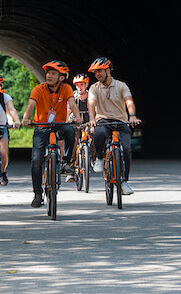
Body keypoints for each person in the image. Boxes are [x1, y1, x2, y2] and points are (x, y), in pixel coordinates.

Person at [21, 60, 81, 208]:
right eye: (48, 72)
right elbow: (31, 105)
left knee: (70, 131)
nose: (49, 75)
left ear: (61, 77)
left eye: (53, 73)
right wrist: (25, 118)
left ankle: (66, 162)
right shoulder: (38, 89)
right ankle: (37, 193)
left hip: (59, 124)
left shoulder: (66, 88)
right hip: (41, 126)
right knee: (36, 161)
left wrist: (78, 117)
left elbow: (72, 104)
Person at [88, 57, 140, 195]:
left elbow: (129, 101)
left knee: (127, 149)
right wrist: (92, 119)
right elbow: (91, 104)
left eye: (100, 71)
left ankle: (124, 181)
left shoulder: (121, 86)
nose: (97, 74)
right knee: (99, 134)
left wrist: (132, 115)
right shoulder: (94, 88)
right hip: (103, 120)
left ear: (108, 70)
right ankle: (99, 157)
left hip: (121, 121)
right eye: (95, 72)